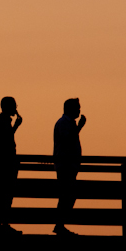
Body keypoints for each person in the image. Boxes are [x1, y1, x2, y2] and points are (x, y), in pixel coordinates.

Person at [53, 98, 86, 236]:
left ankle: (60, 224)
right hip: (65, 165)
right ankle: (59, 225)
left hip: (69, 165)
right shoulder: (63, 123)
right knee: (67, 195)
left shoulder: (68, 122)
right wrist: (80, 127)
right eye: (77, 108)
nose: (79, 110)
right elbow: (67, 140)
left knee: (68, 195)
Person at [0, 96, 23, 235]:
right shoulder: (1, 122)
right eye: (14, 105)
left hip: (4, 163)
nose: (16, 108)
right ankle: (2, 225)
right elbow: (5, 141)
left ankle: (2, 224)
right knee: (5, 195)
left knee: (5, 195)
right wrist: (16, 126)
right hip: (5, 164)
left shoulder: (0, 121)